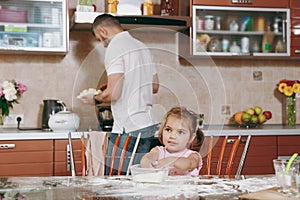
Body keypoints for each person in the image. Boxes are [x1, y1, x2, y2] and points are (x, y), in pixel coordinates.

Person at [82, 14, 160, 175]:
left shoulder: (115, 47)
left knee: (116, 184)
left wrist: (95, 99)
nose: (102, 44)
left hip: (129, 129)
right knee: (142, 182)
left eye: (99, 39)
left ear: (103, 31)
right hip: (148, 126)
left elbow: (114, 94)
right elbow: (154, 86)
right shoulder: (142, 47)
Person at [140, 107, 205, 176]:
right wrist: (148, 163)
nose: (172, 136)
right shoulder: (158, 151)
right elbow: (148, 158)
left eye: (180, 132)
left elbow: (189, 164)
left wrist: (171, 160)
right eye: (168, 130)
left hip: (186, 186)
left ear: (191, 138)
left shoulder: (193, 156)